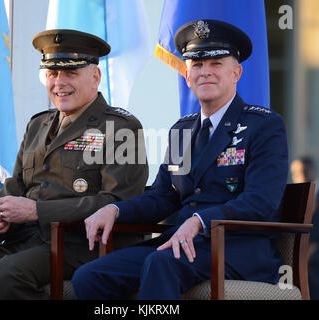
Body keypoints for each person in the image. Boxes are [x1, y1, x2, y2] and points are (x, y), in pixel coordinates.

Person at [72, 19, 289, 300]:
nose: (205, 73)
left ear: (236, 73)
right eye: (197, 65)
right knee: (91, 276)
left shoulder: (264, 125)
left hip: (238, 248)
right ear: (187, 76)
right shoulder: (182, 130)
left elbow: (261, 201)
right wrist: (115, 210)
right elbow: (163, 197)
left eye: (216, 64)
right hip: (183, 243)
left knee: (161, 264)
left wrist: (200, 220)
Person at [0, 29, 148, 299]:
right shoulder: (38, 124)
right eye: (52, 73)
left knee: (8, 274)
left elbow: (116, 202)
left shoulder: (120, 128)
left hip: (81, 246)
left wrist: (37, 211)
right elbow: (16, 184)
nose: (59, 82)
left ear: (95, 77)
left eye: (70, 73)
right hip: (25, 242)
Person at [290, 156, 319, 299]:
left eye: (304, 171)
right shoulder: (291, 198)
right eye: (296, 173)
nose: (301, 175)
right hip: (297, 267)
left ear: (313, 171)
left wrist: (315, 249)